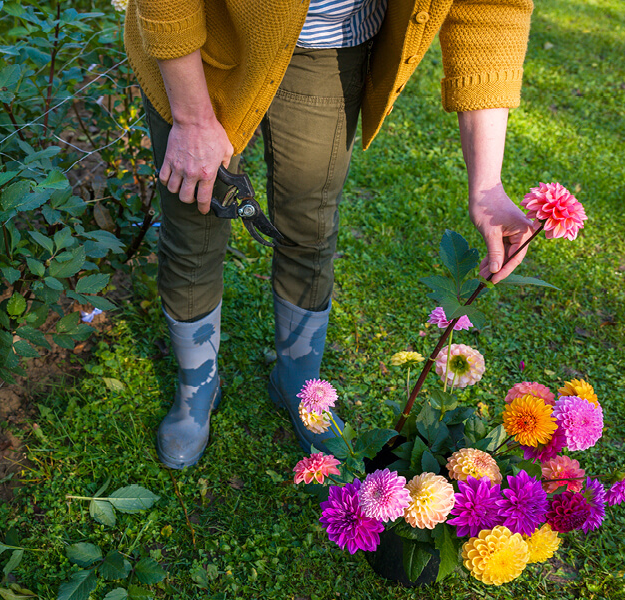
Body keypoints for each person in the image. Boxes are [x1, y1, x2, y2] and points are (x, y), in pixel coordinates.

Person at [123, 0, 537, 469]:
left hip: (330, 47)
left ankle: (299, 386)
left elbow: (491, 9)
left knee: (310, 229)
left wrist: (487, 185)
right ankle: (196, 389)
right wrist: (192, 120)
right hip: (207, 38)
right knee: (192, 227)